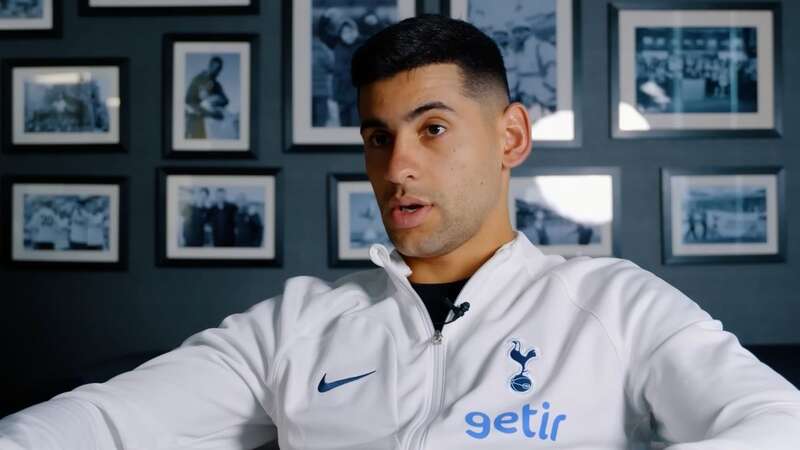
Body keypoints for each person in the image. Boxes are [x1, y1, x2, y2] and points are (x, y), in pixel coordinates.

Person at [2, 14, 799, 450]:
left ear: (511, 137)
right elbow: (103, 424)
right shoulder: (298, 325)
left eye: (434, 129)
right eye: (379, 136)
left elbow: (776, 424)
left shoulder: (617, 307)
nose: (398, 167)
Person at [185, 56, 229, 139]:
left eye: (218, 70)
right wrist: (209, 113)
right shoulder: (198, 79)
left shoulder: (216, 85)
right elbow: (188, 100)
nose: (216, 72)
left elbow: (225, 100)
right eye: (214, 68)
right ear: (210, 66)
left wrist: (213, 100)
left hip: (209, 125)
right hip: (195, 121)